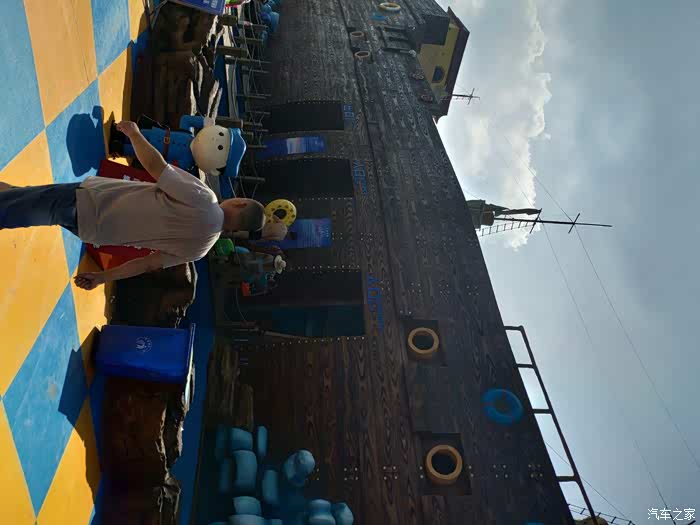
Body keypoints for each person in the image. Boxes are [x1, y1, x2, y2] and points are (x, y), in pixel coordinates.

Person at [0, 121, 265, 291]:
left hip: (94, 201)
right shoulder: (200, 250)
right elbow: (148, 264)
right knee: (26, 198)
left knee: (22, 207)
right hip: (96, 232)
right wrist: (102, 278)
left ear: (240, 203)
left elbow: (157, 167)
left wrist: (135, 135)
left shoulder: (205, 199)